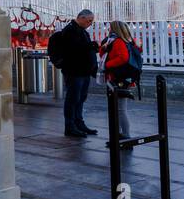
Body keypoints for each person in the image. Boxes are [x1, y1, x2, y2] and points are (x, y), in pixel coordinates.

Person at [47, 9, 99, 138]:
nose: (90, 23)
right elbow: (72, 51)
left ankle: (78, 123)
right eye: (89, 20)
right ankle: (70, 126)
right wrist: (90, 46)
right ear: (81, 18)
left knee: (80, 98)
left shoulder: (80, 31)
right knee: (73, 99)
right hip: (75, 71)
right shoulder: (70, 31)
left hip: (83, 71)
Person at [101, 20, 143, 147]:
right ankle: (119, 134)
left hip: (118, 79)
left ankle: (125, 136)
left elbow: (123, 57)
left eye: (110, 28)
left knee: (120, 109)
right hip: (124, 78)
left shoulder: (118, 41)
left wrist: (107, 65)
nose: (108, 30)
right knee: (118, 108)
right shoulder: (128, 40)